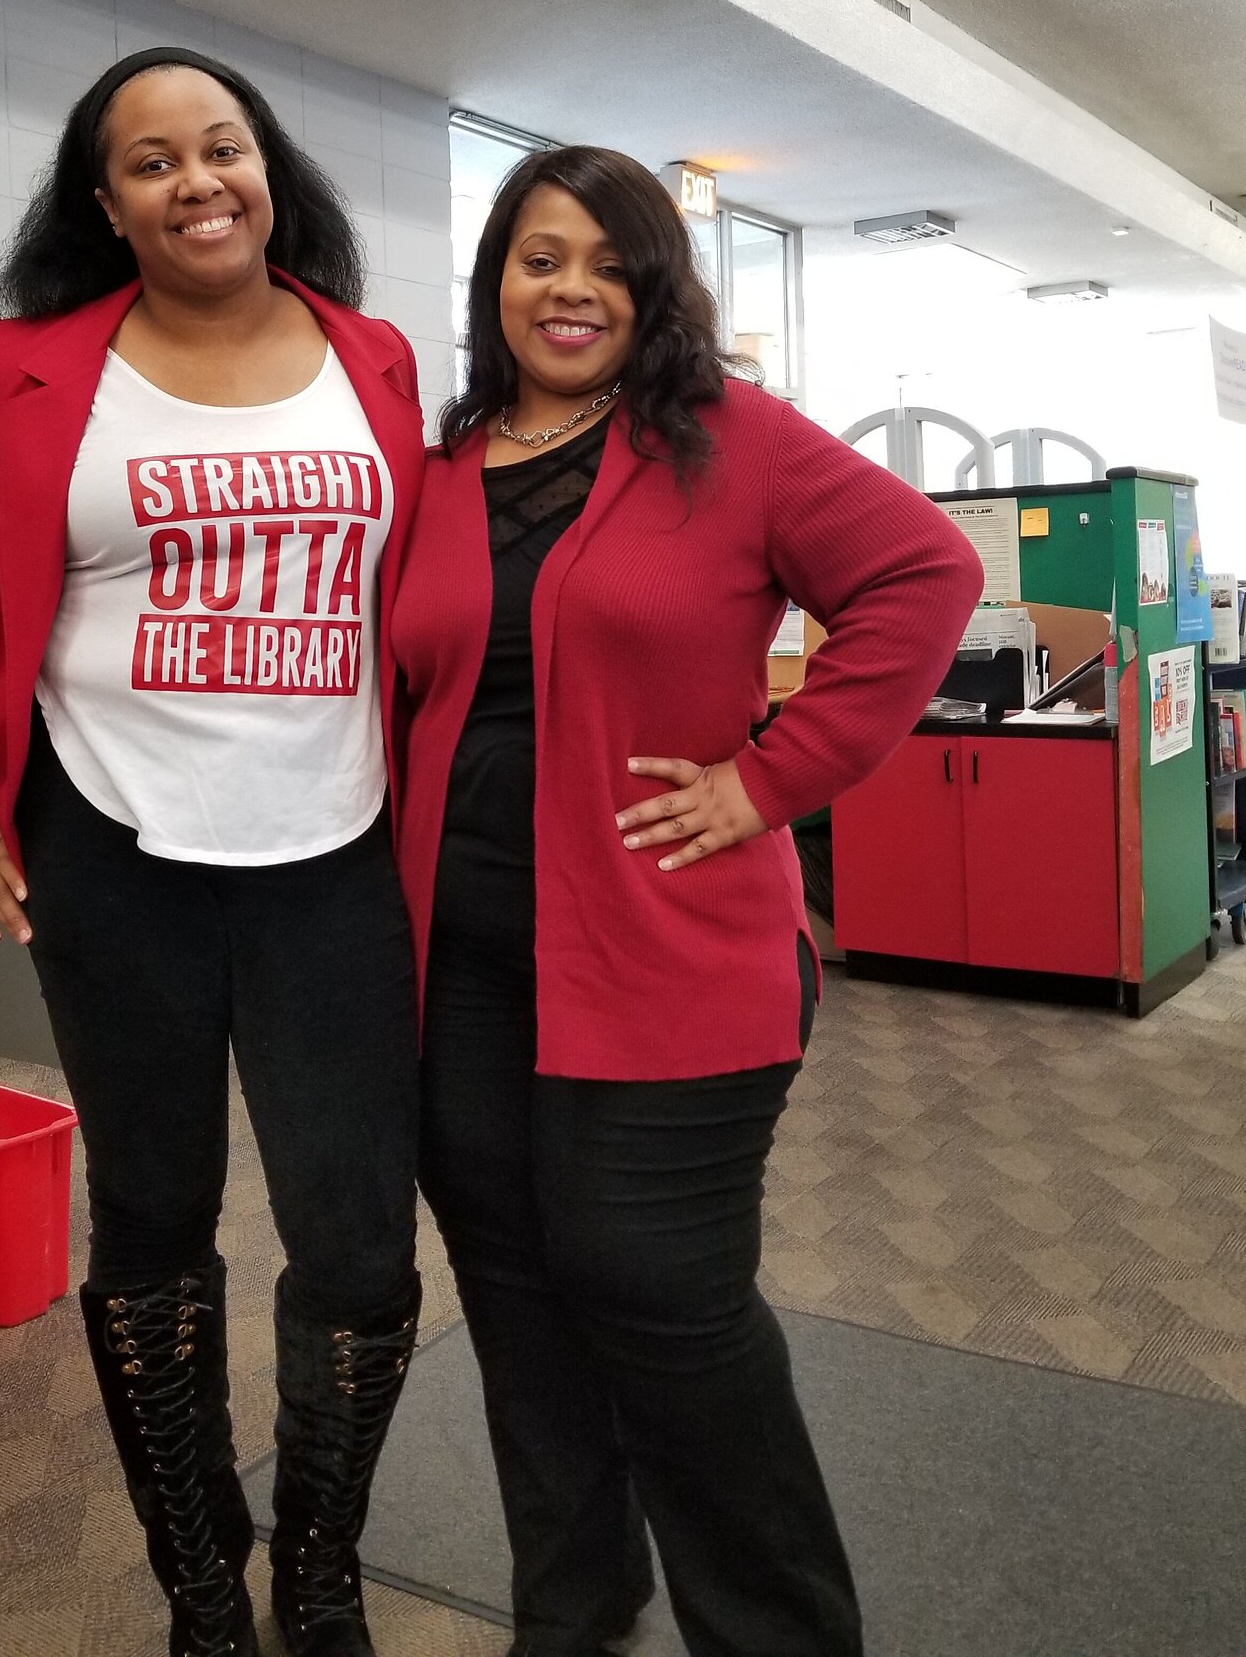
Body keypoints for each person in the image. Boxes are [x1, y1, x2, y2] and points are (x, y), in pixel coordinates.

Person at [0, 48, 428, 1657]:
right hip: (115, 857)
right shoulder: (30, 368)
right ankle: (203, 1583)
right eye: (151, 162)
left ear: (268, 163)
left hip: (337, 860)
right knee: (153, 1225)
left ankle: (322, 1560)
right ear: (107, 204)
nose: (196, 180)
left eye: (220, 146)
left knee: (357, 1242)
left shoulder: (371, 360)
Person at [391, 146, 983, 1657]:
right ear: (496, 283)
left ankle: (779, 1635)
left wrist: (768, 779)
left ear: (657, 289)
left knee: (666, 1303)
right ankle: (571, 1618)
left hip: (671, 958)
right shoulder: (443, 470)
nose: (571, 285)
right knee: (519, 1315)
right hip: (463, 975)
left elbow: (926, 571)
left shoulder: (726, 441)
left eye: (610, 260)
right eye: (539, 256)